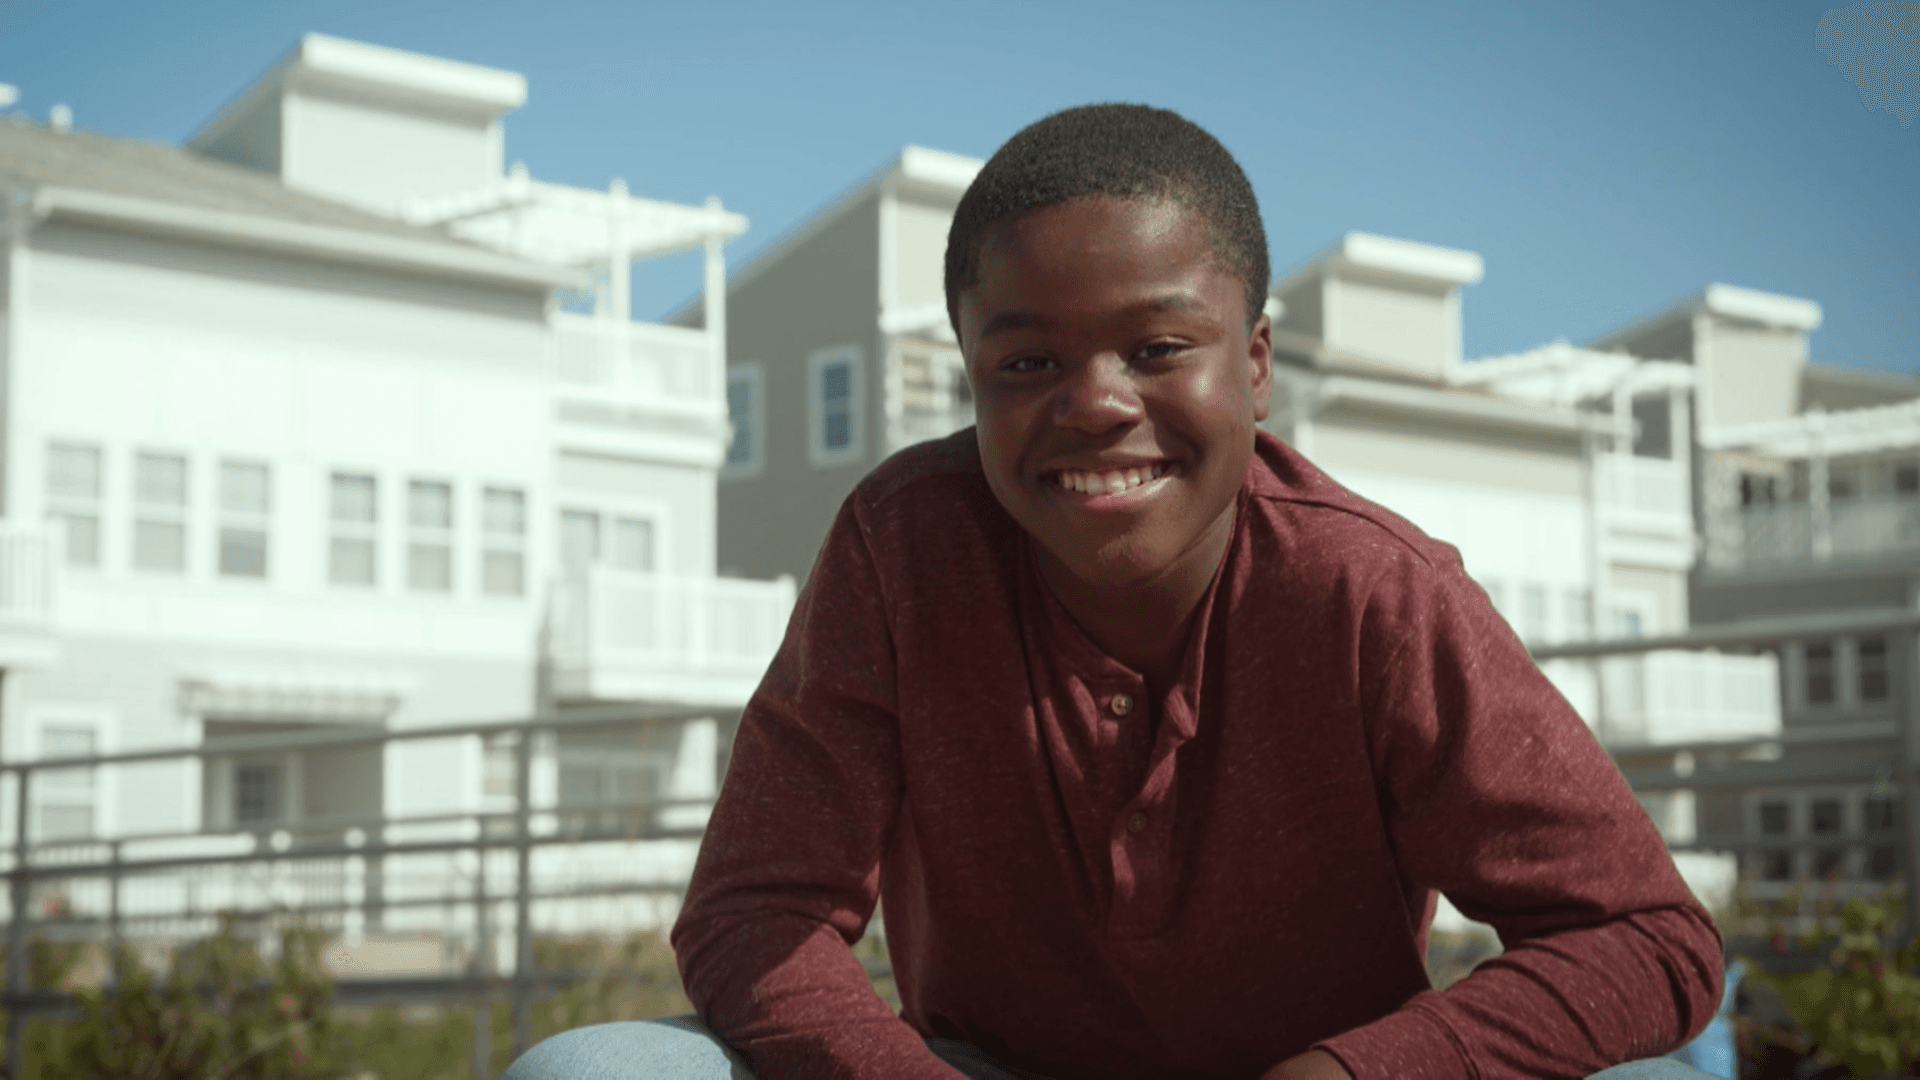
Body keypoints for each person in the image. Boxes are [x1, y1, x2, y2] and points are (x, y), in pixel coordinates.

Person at [506, 104, 1726, 1080]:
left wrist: (1360, 1073)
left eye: (1157, 348)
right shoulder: (899, 550)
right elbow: (752, 912)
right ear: (974, 380)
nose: (1093, 401)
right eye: (1027, 361)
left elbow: (1653, 943)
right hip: (989, 1069)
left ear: (1254, 366)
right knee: (591, 1067)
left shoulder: (1374, 594)